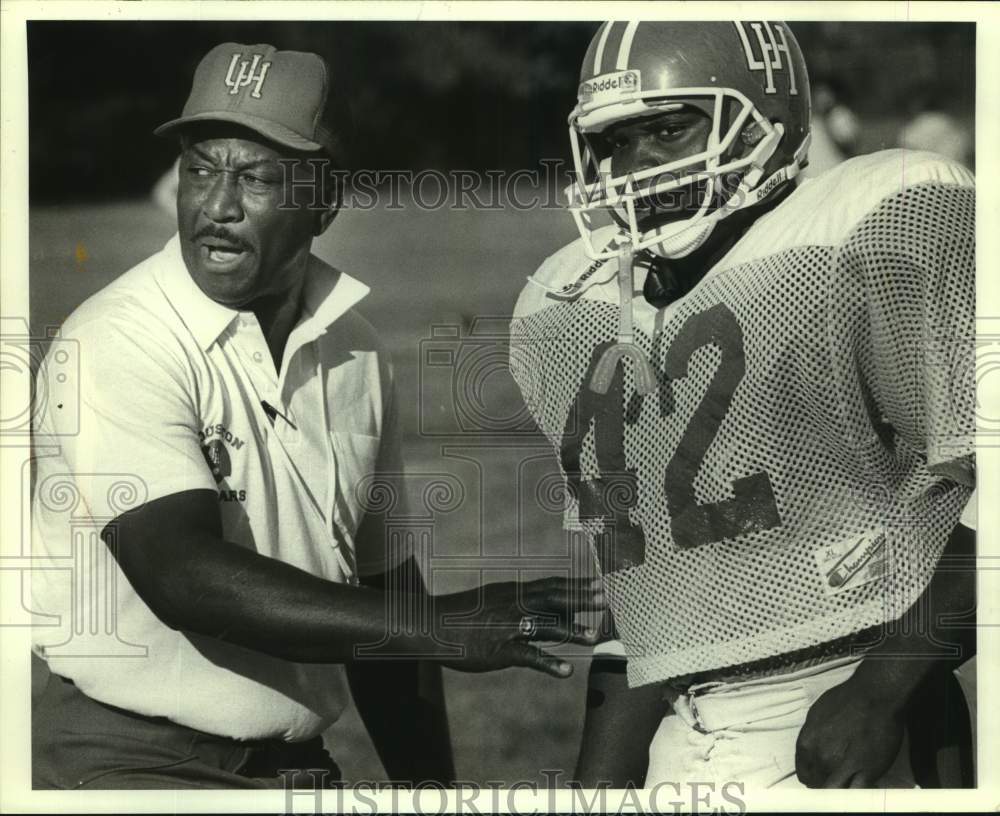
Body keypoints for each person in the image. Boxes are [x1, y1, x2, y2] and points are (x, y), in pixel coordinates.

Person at [30, 42, 603, 790]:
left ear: (324, 201)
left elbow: (388, 595)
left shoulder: (355, 352)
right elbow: (180, 575)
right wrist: (440, 628)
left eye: (256, 177)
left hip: (299, 772)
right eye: (200, 169)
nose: (217, 205)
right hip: (130, 764)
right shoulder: (119, 337)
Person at [509, 21, 976, 789]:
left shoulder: (863, 229)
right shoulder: (583, 305)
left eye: (667, 128)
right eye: (615, 141)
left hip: (856, 711)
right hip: (685, 739)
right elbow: (644, 590)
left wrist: (884, 687)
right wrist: (596, 786)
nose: (635, 165)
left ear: (766, 117)